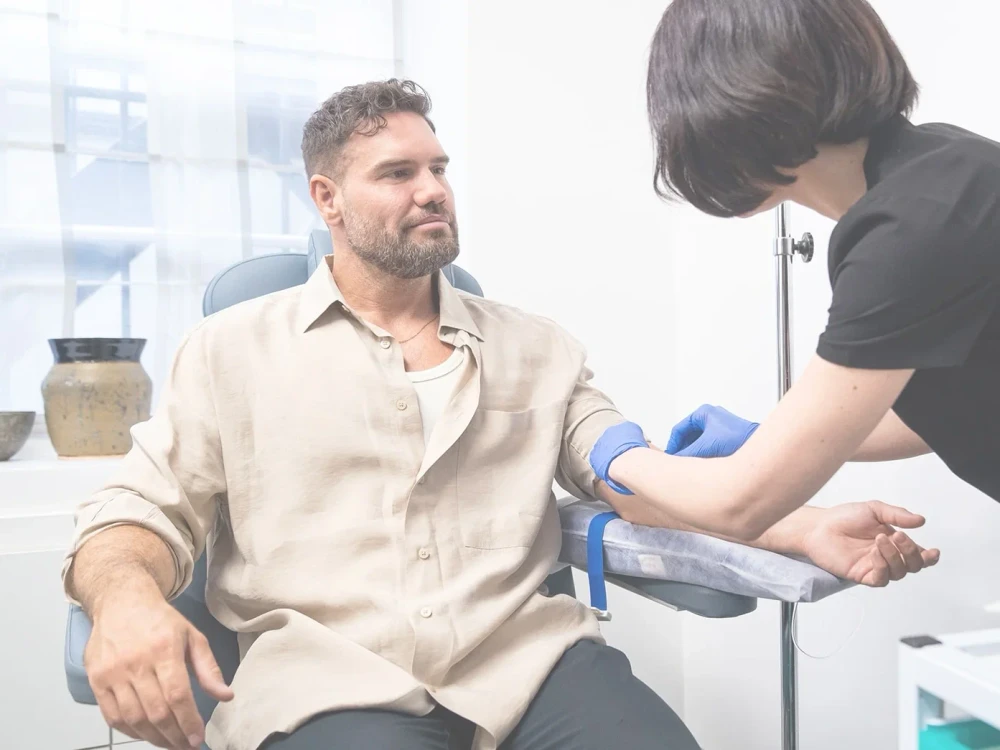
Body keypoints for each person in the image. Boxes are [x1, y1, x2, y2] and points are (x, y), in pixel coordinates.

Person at [63, 79, 936, 750]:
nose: (432, 189)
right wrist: (126, 601)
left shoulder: (538, 348)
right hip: (329, 681)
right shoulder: (229, 352)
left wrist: (804, 525)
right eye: (397, 174)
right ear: (327, 200)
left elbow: (631, 477)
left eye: (439, 168)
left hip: (526, 664)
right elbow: (136, 513)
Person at [587, 0, 1000, 539]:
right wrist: (769, 440)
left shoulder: (906, 235)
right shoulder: (942, 166)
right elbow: (960, 406)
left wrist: (614, 452)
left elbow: (739, 505)